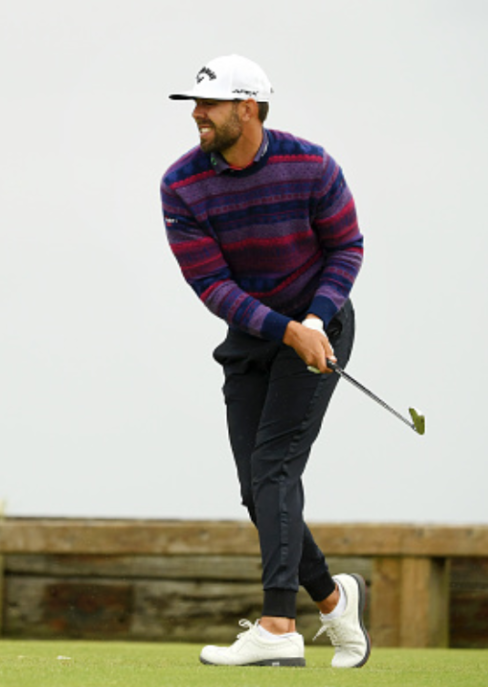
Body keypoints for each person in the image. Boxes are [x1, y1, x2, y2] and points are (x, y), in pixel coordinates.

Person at [161, 55, 370, 668]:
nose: (197, 115)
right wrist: (283, 330)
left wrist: (311, 322)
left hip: (320, 328)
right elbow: (212, 286)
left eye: (210, 104)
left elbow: (346, 247)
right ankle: (334, 600)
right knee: (257, 490)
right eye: (195, 105)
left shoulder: (311, 165)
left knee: (274, 468)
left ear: (247, 107)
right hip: (254, 336)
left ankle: (280, 626)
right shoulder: (181, 183)